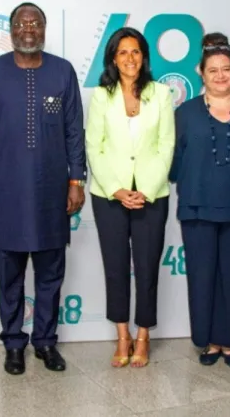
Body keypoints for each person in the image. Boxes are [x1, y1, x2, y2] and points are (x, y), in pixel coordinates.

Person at [0, 2, 86, 375]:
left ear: (45, 29)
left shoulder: (63, 72)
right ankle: (14, 343)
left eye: (35, 22)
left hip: (53, 193)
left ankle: (46, 342)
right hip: (6, 192)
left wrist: (76, 180)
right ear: (12, 30)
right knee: (11, 275)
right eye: (21, 23)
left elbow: (74, 132)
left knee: (51, 274)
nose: (28, 28)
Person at [169, 33, 230, 368]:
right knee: (203, 276)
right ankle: (210, 341)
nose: (221, 76)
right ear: (201, 73)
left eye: (226, 69)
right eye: (213, 70)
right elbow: (175, 163)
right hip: (198, 207)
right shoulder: (184, 113)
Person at [85, 27, 174, 368]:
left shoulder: (161, 93)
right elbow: (95, 146)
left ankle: (143, 336)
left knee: (148, 266)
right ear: (112, 58)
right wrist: (117, 190)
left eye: (135, 51)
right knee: (116, 267)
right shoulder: (101, 96)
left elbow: (166, 145)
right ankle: (122, 336)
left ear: (144, 56)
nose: (129, 58)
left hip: (151, 196)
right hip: (109, 196)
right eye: (122, 52)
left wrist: (146, 191)